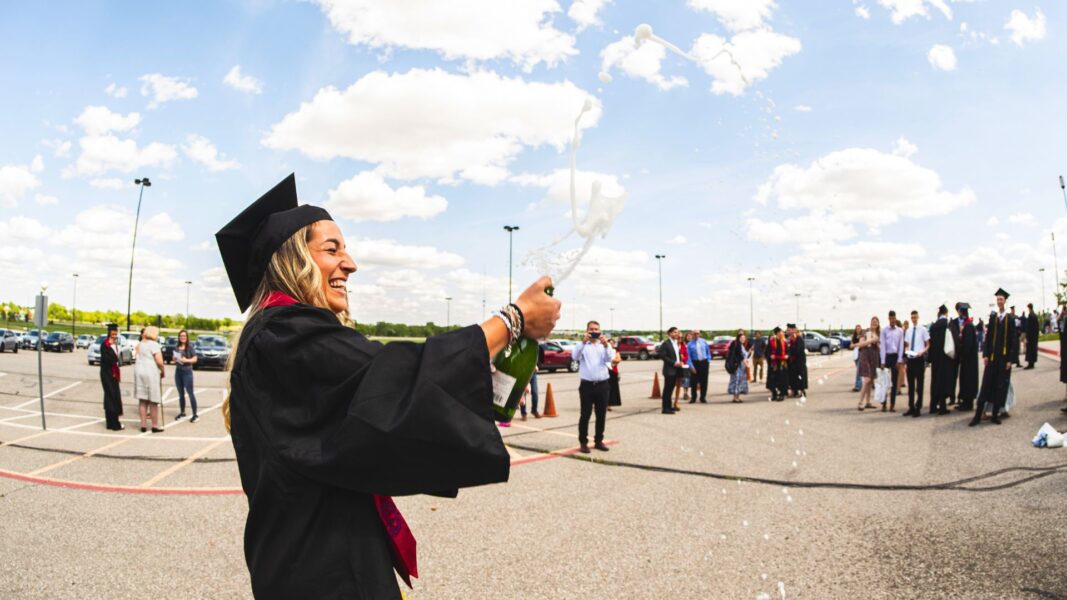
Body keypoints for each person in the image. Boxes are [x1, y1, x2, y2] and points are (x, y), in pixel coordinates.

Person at [216, 174, 561, 597]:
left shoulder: (283, 336)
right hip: (320, 574)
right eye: (332, 248)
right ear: (291, 260)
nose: (351, 263)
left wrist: (473, 386)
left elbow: (367, 421)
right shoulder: (282, 335)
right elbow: (388, 377)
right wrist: (513, 320)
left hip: (320, 557)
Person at [971, 288, 1017, 426]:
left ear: (1005, 301)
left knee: (1000, 387)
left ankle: (995, 415)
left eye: (1001, 299)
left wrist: (1010, 359)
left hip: (1003, 359)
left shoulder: (1010, 319)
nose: (999, 301)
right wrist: (985, 354)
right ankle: (977, 415)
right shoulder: (993, 317)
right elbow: (988, 337)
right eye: (997, 299)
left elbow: (1013, 340)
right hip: (992, 358)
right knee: (986, 385)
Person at [573, 320, 615, 453]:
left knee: (601, 415)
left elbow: (609, 359)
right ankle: (583, 442)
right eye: (591, 329)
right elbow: (575, 356)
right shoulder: (583, 345)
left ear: (600, 331)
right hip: (587, 385)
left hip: (602, 385)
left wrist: (606, 345)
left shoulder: (604, 346)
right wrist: (583, 342)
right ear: (587, 331)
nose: (594, 332)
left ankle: (598, 441)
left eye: (596, 329)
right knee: (585, 414)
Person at [134, 325, 165, 433]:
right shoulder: (154, 345)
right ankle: (155, 426)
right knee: (153, 401)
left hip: (140, 372)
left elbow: (136, 356)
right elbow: (160, 362)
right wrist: (163, 371)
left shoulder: (141, 344)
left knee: (142, 400)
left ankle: (143, 425)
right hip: (151, 372)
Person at [927, 305, 955, 415]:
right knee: (944, 382)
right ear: (946, 312)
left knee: (935, 382)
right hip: (945, 357)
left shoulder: (933, 326)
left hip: (935, 358)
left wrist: (930, 359)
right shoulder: (948, 324)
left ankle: (933, 406)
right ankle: (942, 407)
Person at [952, 303, 980, 412]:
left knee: (968, 380)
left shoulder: (968, 327)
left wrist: (960, 350)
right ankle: (965, 401)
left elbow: (967, 345)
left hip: (968, 360)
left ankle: (967, 403)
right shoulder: (969, 325)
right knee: (966, 380)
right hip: (969, 359)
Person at [902, 310, 930, 417]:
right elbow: (907, 344)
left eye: (915, 317)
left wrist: (922, 351)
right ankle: (911, 407)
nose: (914, 319)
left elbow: (928, 344)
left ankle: (918, 407)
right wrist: (906, 350)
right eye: (912, 317)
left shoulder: (923, 329)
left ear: (918, 317)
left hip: (919, 359)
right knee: (911, 385)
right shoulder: (908, 331)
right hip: (911, 359)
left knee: (919, 385)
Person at [99, 323, 124, 431]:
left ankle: (111, 422)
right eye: (113, 332)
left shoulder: (114, 344)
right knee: (111, 396)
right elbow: (108, 359)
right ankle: (114, 424)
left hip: (114, 373)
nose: (114, 334)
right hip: (107, 373)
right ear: (109, 332)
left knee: (112, 397)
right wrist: (115, 361)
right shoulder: (105, 344)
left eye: (116, 332)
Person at [879, 311, 904, 412]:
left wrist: (899, 360)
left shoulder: (900, 331)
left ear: (895, 318)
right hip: (887, 357)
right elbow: (883, 346)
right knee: (885, 382)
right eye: (891, 318)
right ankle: (884, 404)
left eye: (894, 318)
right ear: (888, 318)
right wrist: (882, 360)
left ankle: (892, 405)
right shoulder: (884, 331)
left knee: (894, 382)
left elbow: (901, 346)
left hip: (895, 358)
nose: (893, 320)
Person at [173, 329, 199, 423]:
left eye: (184, 336)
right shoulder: (176, 347)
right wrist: (175, 359)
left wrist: (186, 360)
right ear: (179, 337)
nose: (182, 337)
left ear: (187, 337)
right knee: (181, 394)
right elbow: (175, 358)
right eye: (181, 336)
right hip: (178, 371)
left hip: (187, 372)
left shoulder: (190, 347)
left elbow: (195, 359)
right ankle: (182, 412)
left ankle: (195, 414)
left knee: (190, 393)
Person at [856, 317, 880, 411]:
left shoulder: (878, 333)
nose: (874, 323)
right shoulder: (865, 332)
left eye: (876, 322)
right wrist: (871, 340)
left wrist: (877, 343)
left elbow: (879, 348)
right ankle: (860, 402)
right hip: (865, 356)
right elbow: (860, 344)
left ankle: (868, 402)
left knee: (871, 380)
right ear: (870, 323)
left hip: (874, 357)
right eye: (873, 322)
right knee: (867, 379)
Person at [659, 327, 683, 414]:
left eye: (677, 332)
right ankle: (665, 408)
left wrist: (680, 361)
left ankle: (669, 406)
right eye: (674, 332)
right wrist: (674, 363)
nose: (676, 334)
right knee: (667, 390)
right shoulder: (666, 343)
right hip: (669, 370)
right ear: (669, 333)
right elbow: (662, 355)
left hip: (676, 370)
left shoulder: (675, 343)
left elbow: (676, 355)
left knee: (671, 389)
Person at [687, 329, 712, 403]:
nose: (696, 335)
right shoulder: (690, 344)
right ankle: (693, 397)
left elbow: (708, 351)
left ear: (699, 334)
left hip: (704, 362)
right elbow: (688, 357)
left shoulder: (703, 341)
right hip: (695, 363)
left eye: (697, 333)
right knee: (693, 381)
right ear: (692, 334)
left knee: (704, 381)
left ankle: (703, 397)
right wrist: (691, 366)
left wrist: (708, 360)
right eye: (694, 333)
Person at [766, 326, 789, 402]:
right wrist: (770, 355)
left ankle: (782, 394)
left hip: (782, 362)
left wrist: (787, 355)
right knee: (773, 379)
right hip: (774, 363)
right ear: (777, 333)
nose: (782, 333)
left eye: (782, 332)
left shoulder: (784, 342)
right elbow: (767, 351)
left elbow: (788, 351)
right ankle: (774, 394)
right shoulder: (772, 341)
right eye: (780, 332)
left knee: (782, 379)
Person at [727, 331, 750, 402]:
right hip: (738, 367)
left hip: (741, 367)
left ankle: (737, 397)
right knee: (737, 381)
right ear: (738, 338)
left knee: (739, 381)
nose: (743, 339)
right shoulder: (737, 345)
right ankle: (735, 397)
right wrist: (746, 364)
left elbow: (745, 355)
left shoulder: (741, 345)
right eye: (742, 338)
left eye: (744, 338)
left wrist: (749, 352)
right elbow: (740, 356)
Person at [786, 324, 808, 398]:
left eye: (789, 330)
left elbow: (798, 350)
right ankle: (794, 391)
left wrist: (790, 352)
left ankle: (802, 391)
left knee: (800, 376)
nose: (787, 331)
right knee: (792, 377)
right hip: (792, 362)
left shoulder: (799, 338)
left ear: (793, 330)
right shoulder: (789, 339)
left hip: (799, 362)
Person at [607, 337, 622, 410]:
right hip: (605, 371)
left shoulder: (615, 351)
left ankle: (609, 404)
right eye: (610, 343)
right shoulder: (604, 350)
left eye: (612, 343)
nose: (611, 344)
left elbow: (618, 359)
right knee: (605, 388)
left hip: (613, 371)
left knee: (612, 388)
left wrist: (612, 360)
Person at [1024, 303, 1039, 369]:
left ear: (1029, 308)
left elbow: (1029, 327)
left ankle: (1030, 364)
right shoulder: (1035, 315)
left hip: (1030, 336)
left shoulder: (1030, 315)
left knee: (1030, 350)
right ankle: (1032, 363)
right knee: (1033, 350)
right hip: (1034, 336)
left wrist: (1027, 336)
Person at [850, 324, 863, 392]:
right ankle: (861, 384)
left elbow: (861, 344)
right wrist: (856, 345)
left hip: (861, 354)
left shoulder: (862, 335)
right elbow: (850, 346)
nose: (858, 329)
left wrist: (855, 345)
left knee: (858, 371)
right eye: (856, 328)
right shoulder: (853, 336)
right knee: (859, 371)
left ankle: (857, 386)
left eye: (859, 328)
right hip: (855, 355)